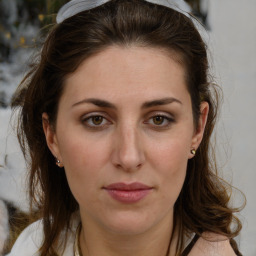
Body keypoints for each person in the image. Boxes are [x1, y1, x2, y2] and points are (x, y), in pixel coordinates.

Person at [7, 0, 243, 255]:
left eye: (159, 119)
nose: (129, 157)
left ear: (197, 129)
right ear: (51, 135)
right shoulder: (30, 247)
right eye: (96, 120)